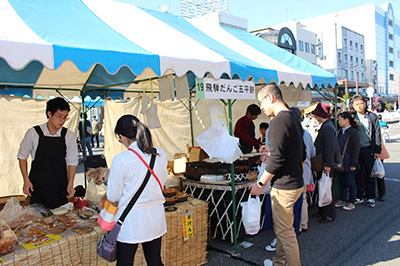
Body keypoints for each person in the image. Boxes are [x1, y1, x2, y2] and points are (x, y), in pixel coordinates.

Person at [250, 83, 305, 266]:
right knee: (283, 230)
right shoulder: (293, 118)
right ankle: (279, 262)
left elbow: (277, 160)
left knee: (285, 233)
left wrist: (260, 185)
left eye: (262, 103)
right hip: (296, 183)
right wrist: (271, 150)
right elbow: (298, 152)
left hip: (284, 186)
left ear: (270, 98)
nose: (262, 108)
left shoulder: (278, 121)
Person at [107, 115, 168, 266]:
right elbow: (162, 182)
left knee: (125, 262)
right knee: (154, 260)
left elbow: (113, 195)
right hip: (155, 218)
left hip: (130, 221)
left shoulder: (121, 159)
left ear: (121, 136)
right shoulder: (159, 154)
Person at [18, 97, 78, 209]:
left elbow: (72, 162)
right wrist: (26, 180)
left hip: (60, 188)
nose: (62, 121)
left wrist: (70, 184)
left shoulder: (68, 136)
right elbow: (22, 157)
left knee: (61, 221)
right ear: (49, 114)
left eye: (65, 118)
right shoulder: (33, 133)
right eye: (59, 117)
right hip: (38, 188)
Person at [311, 103, 341, 223]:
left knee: (326, 188)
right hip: (323, 161)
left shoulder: (328, 127)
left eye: (316, 115)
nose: (315, 118)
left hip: (325, 162)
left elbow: (330, 147)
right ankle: (322, 210)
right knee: (322, 186)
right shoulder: (327, 126)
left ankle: (329, 213)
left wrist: (328, 164)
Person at [352, 94, 382, 206]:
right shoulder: (352, 116)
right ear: (353, 106)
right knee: (357, 173)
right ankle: (359, 196)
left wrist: (377, 150)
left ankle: (371, 197)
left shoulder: (372, 116)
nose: (360, 106)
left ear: (365, 104)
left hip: (369, 149)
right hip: (356, 150)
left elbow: (377, 134)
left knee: (370, 174)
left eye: (361, 103)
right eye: (357, 104)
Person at [290, 107, 315, 232]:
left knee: (294, 200)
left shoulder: (292, 133)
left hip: (295, 172)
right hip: (305, 171)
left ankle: (297, 225)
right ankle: (303, 224)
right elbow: (313, 153)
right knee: (303, 198)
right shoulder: (307, 134)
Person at [334, 112, 360, 211]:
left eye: (340, 119)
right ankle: (342, 199)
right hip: (340, 160)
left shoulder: (353, 132)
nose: (339, 122)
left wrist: (354, 163)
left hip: (349, 160)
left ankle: (352, 201)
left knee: (350, 181)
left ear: (347, 120)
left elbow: (356, 149)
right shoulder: (340, 131)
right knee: (342, 181)